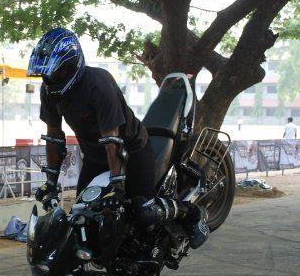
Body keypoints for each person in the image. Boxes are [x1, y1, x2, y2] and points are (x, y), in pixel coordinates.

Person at [27, 28, 208, 248]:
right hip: (95, 158)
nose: (50, 78)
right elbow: (54, 138)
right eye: (46, 74)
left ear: (71, 65)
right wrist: (50, 183)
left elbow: (112, 140)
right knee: (82, 215)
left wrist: (117, 187)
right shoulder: (49, 92)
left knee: (143, 211)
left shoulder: (98, 84)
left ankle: (191, 214)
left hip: (132, 150)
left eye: (55, 73)